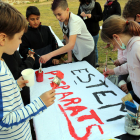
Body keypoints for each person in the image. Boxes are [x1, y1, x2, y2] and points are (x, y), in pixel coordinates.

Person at [0, 2, 55, 139]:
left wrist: (16, 85)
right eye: (19, 38)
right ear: (2, 38)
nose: (20, 42)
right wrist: (39, 104)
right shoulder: (1, 73)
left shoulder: (2, 60)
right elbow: (4, 120)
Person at [39, 0, 95, 67]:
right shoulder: (62, 20)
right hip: (77, 51)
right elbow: (67, 38)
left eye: (59, 14)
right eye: (55, 15)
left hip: (87, 51)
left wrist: (49, 55)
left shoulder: (75, 21)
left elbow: (71, 45)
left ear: (67, 10)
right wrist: (69, 58)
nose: (57, 17)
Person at [101, 15, 140, 103]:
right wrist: (113, 71)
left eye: (113, 44)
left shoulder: (137, 47)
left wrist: (129, 86)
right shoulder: (130, 47)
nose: (115, 48)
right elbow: (131, 65)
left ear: (116, 37)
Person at [77, 0, 103, 67]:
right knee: (85, 48)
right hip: (84, 33)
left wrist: (92, 16)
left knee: (94, 48)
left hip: (93, 31)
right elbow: (77, 18)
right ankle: (86, 63)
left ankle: (95, 63)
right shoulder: (81, 5)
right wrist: (80, 15)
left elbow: (101, 17)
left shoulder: (96, 5)